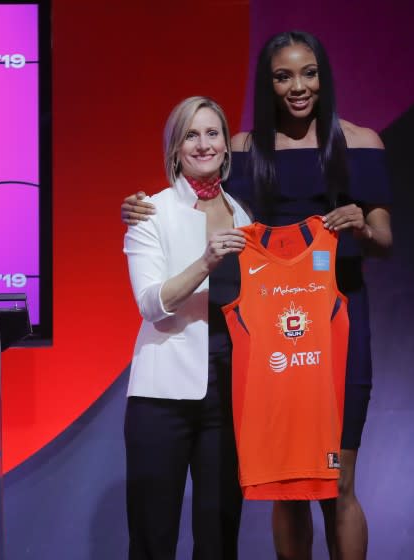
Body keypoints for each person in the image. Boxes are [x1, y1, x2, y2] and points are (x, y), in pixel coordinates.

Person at [121, 30, 392, 560]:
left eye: (308, 73)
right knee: (286, 485)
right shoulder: (243, 150)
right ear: (266, 84)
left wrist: (360, 224)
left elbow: (384, 240)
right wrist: (137, 207)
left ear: (324, 76)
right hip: (272, 333)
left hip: (338, 324)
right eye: (283, 75)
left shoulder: (360, 143)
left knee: (339, 482)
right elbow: (198, 191)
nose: (298, 86)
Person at [123, 95, 251, 559]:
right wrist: (205, 262)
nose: (203, 144)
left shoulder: (244, 215)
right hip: (162, 398)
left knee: (219, 537)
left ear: (226, 145)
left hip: (229, 394)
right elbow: (150, 304)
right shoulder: (149, 213)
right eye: (191, 135)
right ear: (175, 148)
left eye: (212, 133)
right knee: (154, 538)